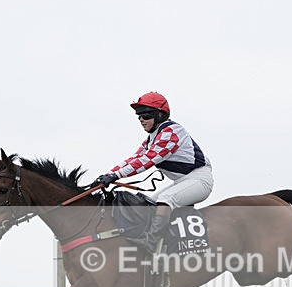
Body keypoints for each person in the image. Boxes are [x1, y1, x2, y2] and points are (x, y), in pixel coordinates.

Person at [91, 92, 213, 254]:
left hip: (200, 180)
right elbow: (134, 158)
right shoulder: (152, 138)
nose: (141, 120)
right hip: (182, 182)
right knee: (148, 204)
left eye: (146, 115)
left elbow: (146, 161)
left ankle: (150, 244)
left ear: (160, 115)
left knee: (165, 199)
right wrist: (107, 175)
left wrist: (116, 176)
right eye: (139, 116)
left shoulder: (171, 132)